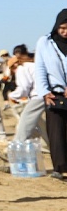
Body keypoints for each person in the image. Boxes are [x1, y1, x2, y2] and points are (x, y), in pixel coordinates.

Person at [34, 10, 67, 179]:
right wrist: (44, 92)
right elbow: (40, 68)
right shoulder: (45, 42)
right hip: (55, 94)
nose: (65, 32)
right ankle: (60, 168)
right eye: (62, 28)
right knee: (56, 132)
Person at [9, 44, 47, 147]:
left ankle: (18, 145)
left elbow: (23, 88)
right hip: (51, 94)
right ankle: (50, 145)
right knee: (43, 124)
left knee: (25, 123)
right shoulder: (39, 64)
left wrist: (12, 96)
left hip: (38, 96)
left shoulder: (23, 68)